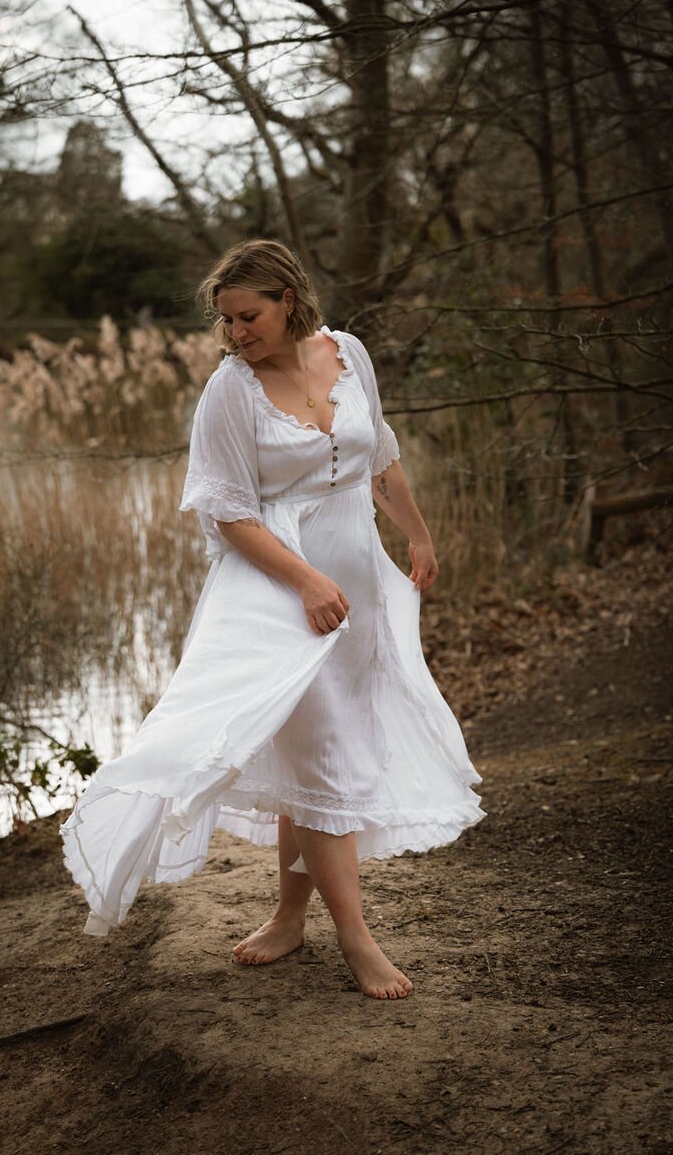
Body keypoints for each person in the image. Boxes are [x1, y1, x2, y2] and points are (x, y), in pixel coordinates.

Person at [60, 239, 484, 1000]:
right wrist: (307, 581)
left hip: (357, 576)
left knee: (313, 755)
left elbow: (379, 458)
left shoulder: (348, 353)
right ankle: (356, 939)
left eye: (248, 316)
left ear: (289, 300)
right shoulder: (230, 391)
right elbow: (227, 514)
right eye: (226, 321)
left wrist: (417, 534)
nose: (236, 333)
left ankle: (289, 918)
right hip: (278, 585)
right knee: (322, 753)